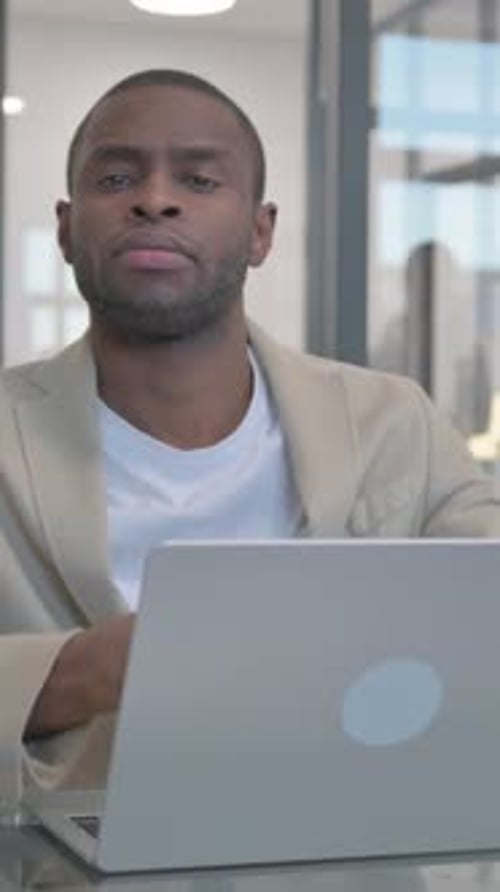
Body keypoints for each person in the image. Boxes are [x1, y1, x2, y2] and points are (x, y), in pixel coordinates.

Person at [1, 69, 499, 807]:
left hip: (353, 837)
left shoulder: (396, 422)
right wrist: (88, 669)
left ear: (260, 231)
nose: (155, 199)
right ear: (68, 228)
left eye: (199, 180)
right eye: (115, 176)